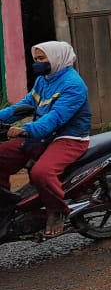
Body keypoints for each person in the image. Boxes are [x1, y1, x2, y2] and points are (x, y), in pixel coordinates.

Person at [0, 42, 92, 238]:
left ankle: (57, 211)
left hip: (69, 138)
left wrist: (26, 129)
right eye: (36, 59)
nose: (38, 63)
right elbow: (25, 105)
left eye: (42, 59)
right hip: (43, 135)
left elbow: (56, 117)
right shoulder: (44, 80)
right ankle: (5, 208)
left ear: (57, 58)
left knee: (42, 172)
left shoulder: (73, 85)